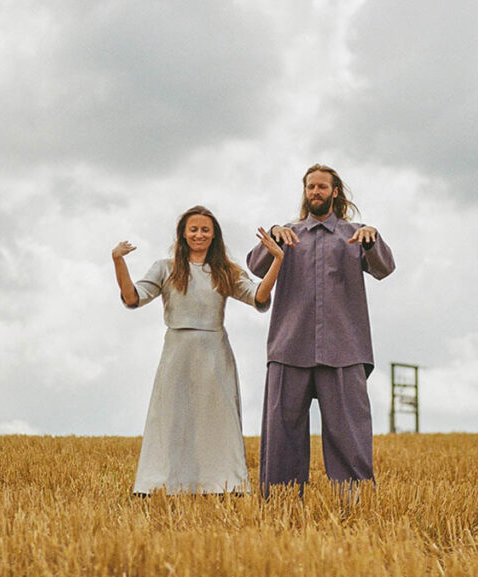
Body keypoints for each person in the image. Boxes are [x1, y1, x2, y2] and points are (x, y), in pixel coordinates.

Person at [246, 164, 395, 497]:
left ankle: (356, 500)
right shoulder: (287, 233)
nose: (316, 192)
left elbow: (385, 269)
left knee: (350, 433)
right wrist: (273, 236)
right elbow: (255, 267)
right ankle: (281, 503)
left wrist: (373, 242)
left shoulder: (356, 234)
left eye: (322, 187)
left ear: (335, 192)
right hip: (289, 346)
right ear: (305, 191)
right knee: (282, 433)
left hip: (345, 349)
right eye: (311, 187)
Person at [113, 205, 284, 495]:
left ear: (214, 234)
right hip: (176, 350)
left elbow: (258, 296)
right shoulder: (165, 268)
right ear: (183, 234)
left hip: (214, 351)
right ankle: (158, 485)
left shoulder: (225, 270)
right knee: (169, 417)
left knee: (219, 419)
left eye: (205, 229)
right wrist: (118, 260)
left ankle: (224, 485)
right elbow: (133, 297)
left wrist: (278, 260)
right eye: (193, 229)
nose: (199, 234)